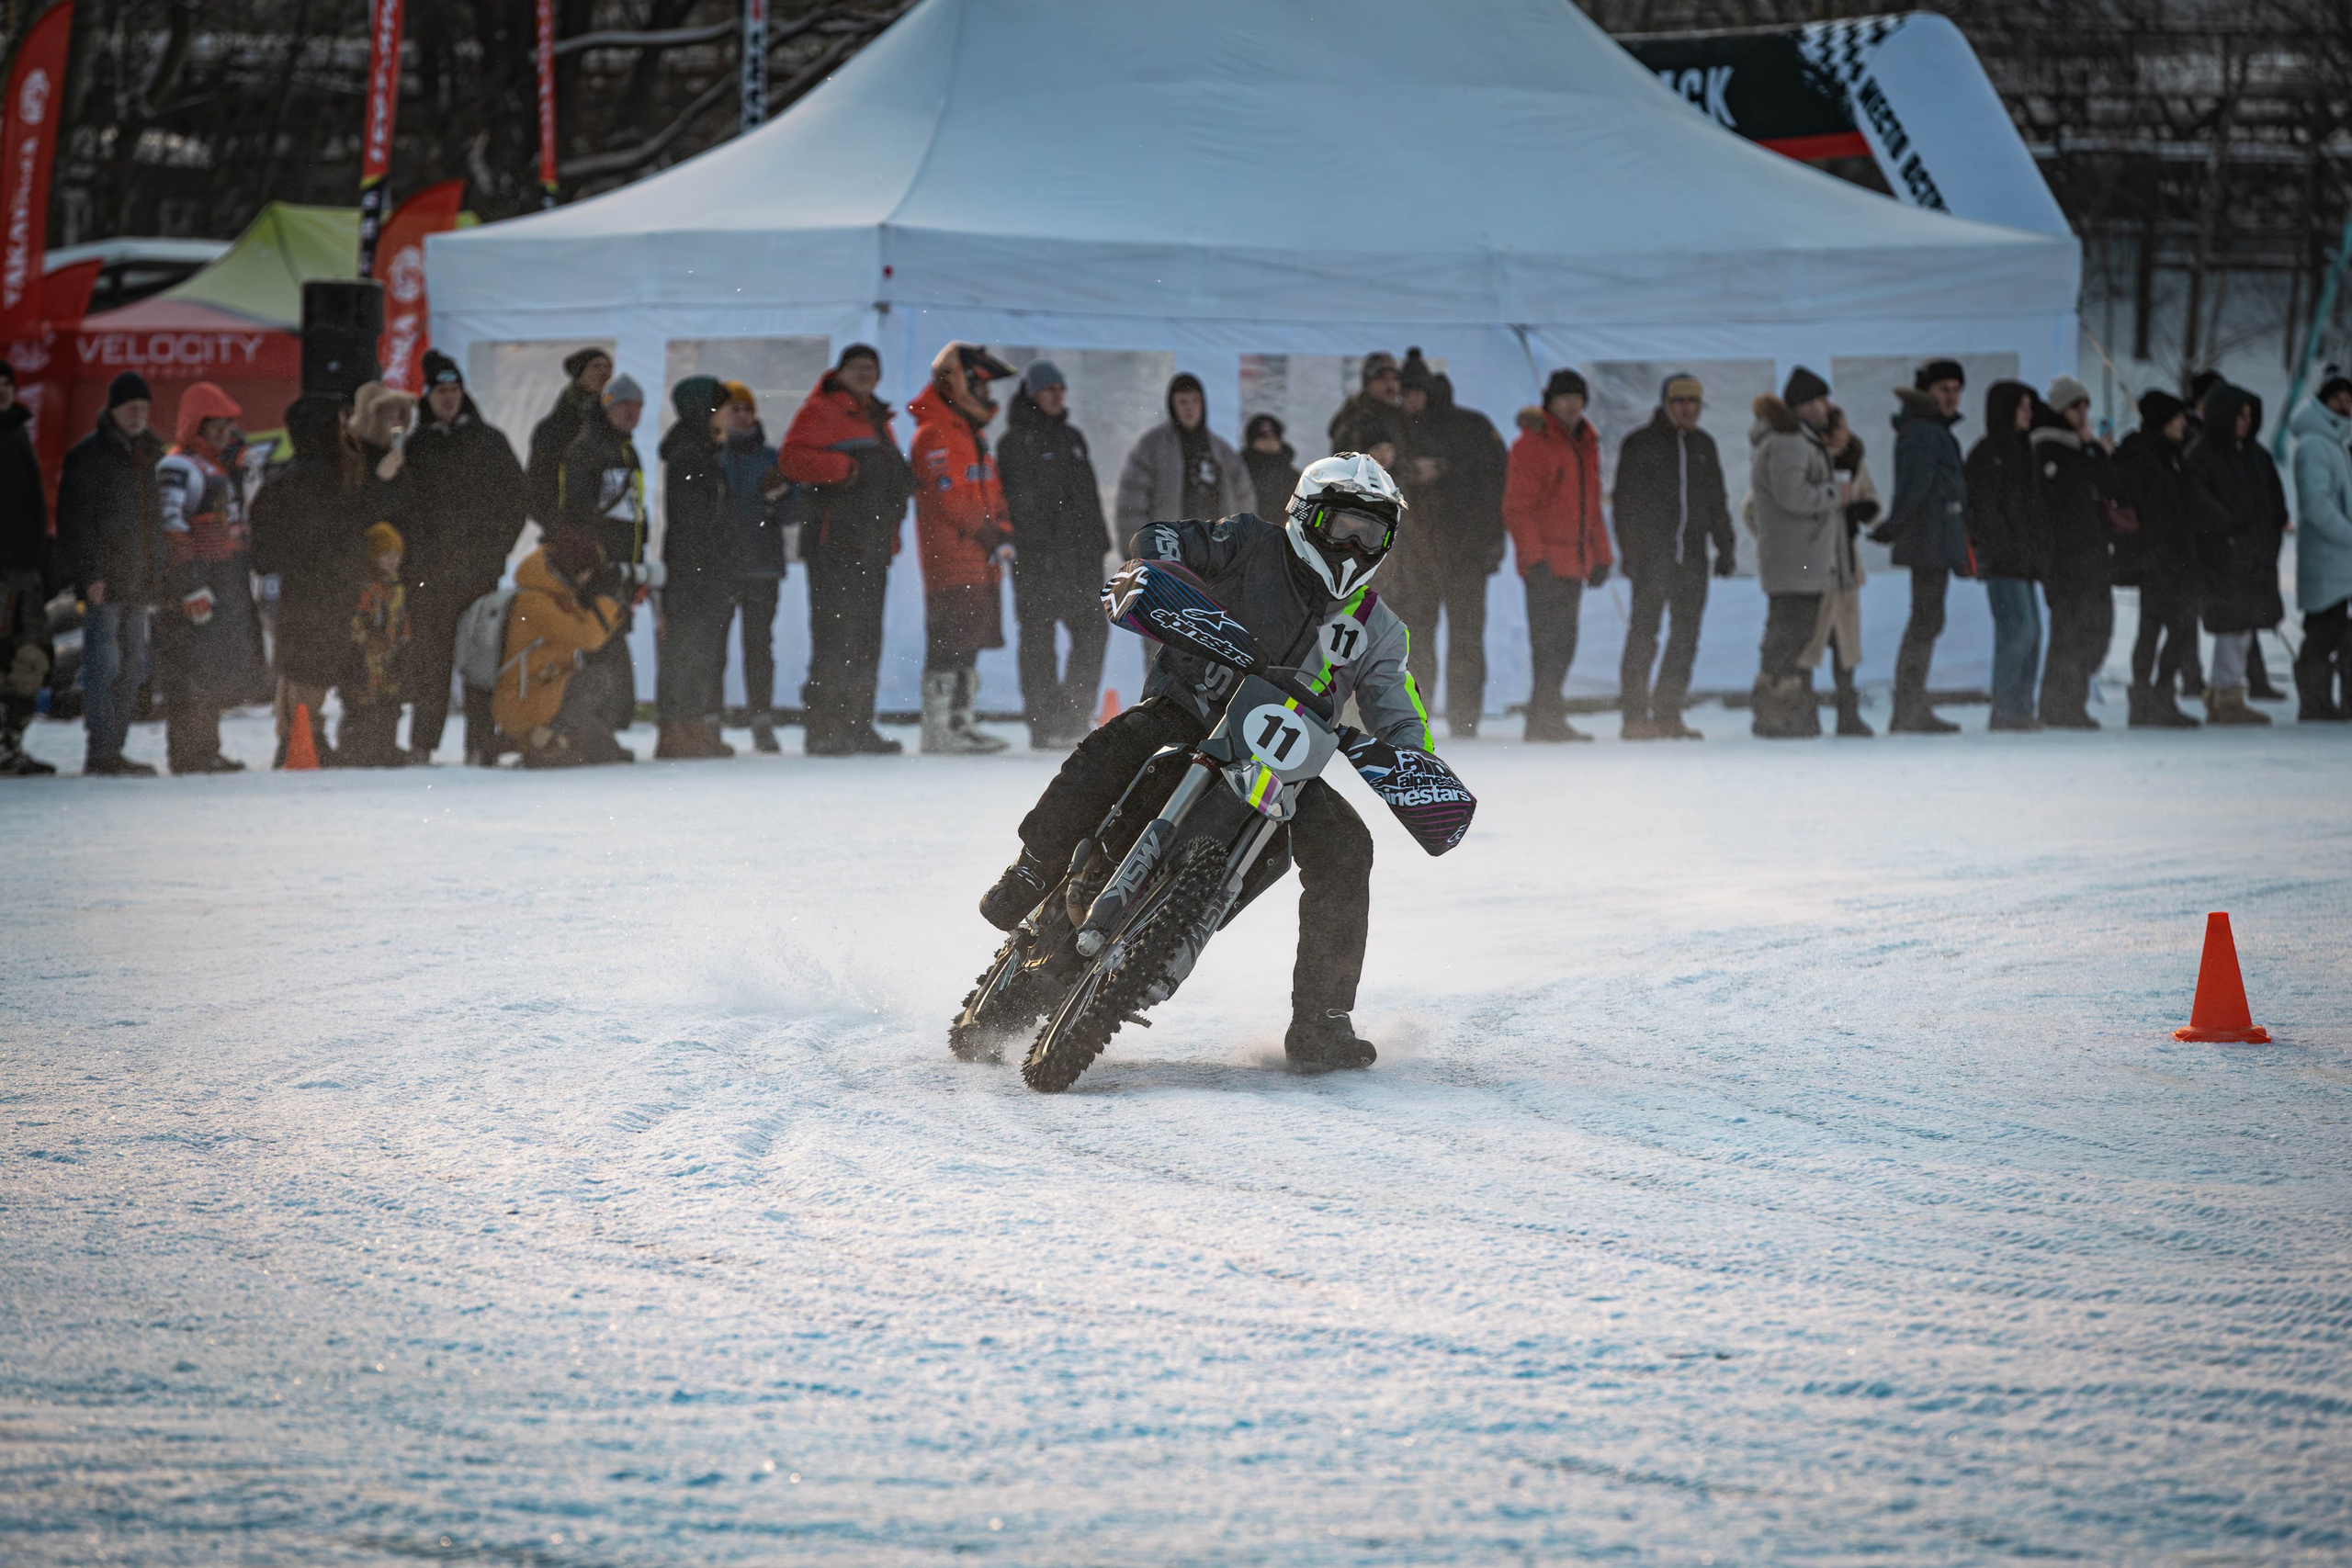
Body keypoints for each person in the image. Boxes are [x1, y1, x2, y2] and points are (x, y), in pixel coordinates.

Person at [978, 454, 1441, 1072]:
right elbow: (1167, 538)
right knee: (1122, 741)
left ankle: (1321, 1022)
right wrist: (1158, 559)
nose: (1354, 545)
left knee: (1348, 845)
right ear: (1307, 516)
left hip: (1280, 770)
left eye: (1371, 533)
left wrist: (1417, 764)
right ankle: (1035, 867)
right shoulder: (1250, 543)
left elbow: (1397, 704)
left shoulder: (1378, 628)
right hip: (1189, 712)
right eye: (1343, 527)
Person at [780, 344, 913, 756]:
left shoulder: (877, 417)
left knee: (865, 638)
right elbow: (792, 458)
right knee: (835, 636)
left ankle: (857, 725)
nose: (866, 374)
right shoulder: (821, 409)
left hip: (872, 546)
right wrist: (846, 470)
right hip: (835, 544)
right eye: (858, 367)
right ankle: (823, 728)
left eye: (872, 368)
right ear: (840, 372)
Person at [400, 352, 526, 763]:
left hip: (477, 572)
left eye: (455, 391)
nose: (449, 399)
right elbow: (401, 509)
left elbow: (516, 500)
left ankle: (480, 742)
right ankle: (423, 743)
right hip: (428, 575)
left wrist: (498, 550)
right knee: (429, 662)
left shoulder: (489, 442)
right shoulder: (415, 446)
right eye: (441, 391)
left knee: (480, 663)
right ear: (428, 395)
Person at [1385, 349, 1509, 739]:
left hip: (1465, 554)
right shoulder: (1397, 429)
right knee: (1417, 639)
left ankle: (1464, 719)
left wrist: (1492, 542)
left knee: (1466, 638)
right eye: (1405, 393)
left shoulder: (1469, 427)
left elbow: (1494, 489)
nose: (1411, 400)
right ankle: (1418, 719)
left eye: (1416, 392)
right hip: (1419, 555)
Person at [997, 360, 1114, 749]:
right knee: (1037, 640)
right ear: (1032, 394)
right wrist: (1036, 547)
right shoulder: (1015, 442)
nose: (1056, 396)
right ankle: (1044, 723)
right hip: (1037, 563)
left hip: (1080, 560)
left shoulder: (1072, 438)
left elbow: (1089, 499)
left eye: (1061, 389)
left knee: (1092, 632)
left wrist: (1100, 546)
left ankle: (1074, 714)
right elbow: (1018, 504)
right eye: (1049, 390)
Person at [1611, 372, 1734, 740]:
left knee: (1685, 636)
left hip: (1693, 558)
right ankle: (1634, 715)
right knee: (1644, 634)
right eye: (1679, 401)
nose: (1686, 408)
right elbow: (1624, 503)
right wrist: (1630, 552)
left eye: (1693, 402)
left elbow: (1716, 500)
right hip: (1653, 558)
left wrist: (1725, 546)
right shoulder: (1641, 443)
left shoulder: (1704, 446)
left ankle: (1668, 712)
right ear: (1666, 403)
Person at [56, 374, 167, 775]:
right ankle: (101, 751)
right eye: (130, 407)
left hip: (138, 582)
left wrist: (159, 573)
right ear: (113, 409)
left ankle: (112, 748)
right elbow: (76, 522)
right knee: (106, 666)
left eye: (143, 407)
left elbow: (154, 522)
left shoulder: (150, 454)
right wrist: (90, 574)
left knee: (134, 667)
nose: (138, 414)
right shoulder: (90, 455)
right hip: (105, 583)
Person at [910, 342, 1017, 754]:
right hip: (950, 559)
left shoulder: (970, 435)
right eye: (982, 386)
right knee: (948, 642)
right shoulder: (935, 433)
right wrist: (991, 533)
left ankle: (960, 722)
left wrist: (1003, 530)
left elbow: (993, 493)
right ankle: (938, 729)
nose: (989, 396)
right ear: (960, 383)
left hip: (979, 559)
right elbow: (948, 497)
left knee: (970, 641)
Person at [152, 381, 264, 773]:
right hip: (196, 577)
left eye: (228, 426)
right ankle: (188, 754)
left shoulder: (226, 467)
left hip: (226, 576)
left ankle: (207, 749)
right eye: (215, 425)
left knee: (215, 666)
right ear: (195, 425)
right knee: (192, 668)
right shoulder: (178, 466)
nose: (224, 433)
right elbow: (169, 527)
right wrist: (188, 584)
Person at [1504, 368, 1611, 741]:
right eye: (1564, 397)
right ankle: (1543, 718)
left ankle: (1547, 714)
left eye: (1577, 398)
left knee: (1563, 644)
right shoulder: (1532, 444)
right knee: (1548, 644)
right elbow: (1517, 507)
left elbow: (1591, 507)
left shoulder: (1585, 443)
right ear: (1550, 401)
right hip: (1546, 564)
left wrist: (1602, 556)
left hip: (1574, 562)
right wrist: (1535, 558)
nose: (1572, 404)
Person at [1746, 367, 1849, 739]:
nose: (1827, 408)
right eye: (1821, 400)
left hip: (1797, 555)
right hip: (1797, 556)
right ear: (1803, 406)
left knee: (1792, 632)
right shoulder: (1789, 442)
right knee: (1788, 633)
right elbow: (1792, 496)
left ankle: (1781, 710)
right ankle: (1774, 712)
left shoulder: (1794, 440)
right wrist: (1834, 494)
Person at [2184, 382, 2285, 726]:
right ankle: (2226, 694)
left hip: (2255, 555)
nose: (2245, 422)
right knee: (2232, 626)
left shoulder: (2256, 455)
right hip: (2224, 557)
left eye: (2248, 416)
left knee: (2245, 627)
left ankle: (2226, 691)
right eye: (2239, 416)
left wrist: (2269, 536)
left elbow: (2274, 500)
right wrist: (2228, 534)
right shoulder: (2203, 456)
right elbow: (2200, 504)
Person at [493, 521, 634, 768]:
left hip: (543, 694)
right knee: (598, 680)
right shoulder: (535, 602)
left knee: (599, 750)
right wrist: (607, 598)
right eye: (587, 571)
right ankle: (544, 738)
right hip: (522, 703)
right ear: (572, 569)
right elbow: (589, 638)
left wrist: (605, 597)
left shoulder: (555, 594)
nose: (589, 577)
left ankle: (552, 742)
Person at [1881, 359, 1971, 733]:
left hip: (1934, 539)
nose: (1951, 397)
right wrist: (1893, 526)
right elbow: (1914, 488)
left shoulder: (1931, 430)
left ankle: (1911, 704)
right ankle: (1908, 707)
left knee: (1927, 620)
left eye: (1955, 389)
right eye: (1943, 389)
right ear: (1927, 392)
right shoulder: (1925, 432)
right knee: (1925, 621)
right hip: (1927, 540)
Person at [559, 372, 649, 733]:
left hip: (622, 564)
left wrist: (636, 563)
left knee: (612, 636)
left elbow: (636, 512)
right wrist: (591, 558)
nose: (632, 414)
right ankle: (606, 715)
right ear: (608, 407)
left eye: (638, 407)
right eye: (625, 406)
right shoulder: (587, 449)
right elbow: (575, 510)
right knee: (602, 639)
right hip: (600, 565)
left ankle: (610, 715)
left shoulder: (627, 450)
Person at [654, 373, 737, 760]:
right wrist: (703, 564)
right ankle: (675, 726)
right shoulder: (690, 453)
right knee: (685, 648)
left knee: (700, 649)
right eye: (721, 407)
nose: (727, 415)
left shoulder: (702, 450)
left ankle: (691, 721)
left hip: (704, 563)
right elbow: (693, 518)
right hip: (693, 565)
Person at [2030, 376, 2120, 728]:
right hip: (2065, 557)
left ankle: (2071, 700)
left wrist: (2095, 449)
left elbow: (2113, 487)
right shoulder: (2047, 446)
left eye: (2085, 406)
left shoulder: (2080, 446)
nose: (2083, 414)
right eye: (2076, 407)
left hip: (2091, 554)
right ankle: (2060, 705)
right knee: (2069, 633)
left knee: (2094, 629)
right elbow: (2068, 494)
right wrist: (2090, 451)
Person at [2111, 389, 2201, 728]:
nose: (2183, 424)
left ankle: (2159, 697)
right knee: (2155, 629)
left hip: (2175, 557)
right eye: (2177, 417)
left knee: (2175, 628)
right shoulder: (2139, 455)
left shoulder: (2171, 455)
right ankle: (2147, 700)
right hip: (2155, 559)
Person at [1962, 381, 2048, 730]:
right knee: (2019, 631)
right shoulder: (1987, 454)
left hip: (2023, 560)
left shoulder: (2024, 450)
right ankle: (2006, 707)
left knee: (2032, 632)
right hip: (2001, 561)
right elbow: (1984, 511)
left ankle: (2021, 707)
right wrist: (2000, 548)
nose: (2028, 414)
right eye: (2022, 407)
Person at [713, 381, 788, 752]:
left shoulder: (771, 458)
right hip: (723, 566)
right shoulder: (711, 456)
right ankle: (710, 719)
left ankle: (762, 719)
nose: (743, 415)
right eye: (734, 409)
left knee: (759, 646)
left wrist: (782, 495)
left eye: (747, 409)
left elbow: (792, 515)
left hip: (762, 565)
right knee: (715, 646)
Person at [1802, 404, 1879, 737]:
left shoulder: (1853, 461)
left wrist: (1861, 511)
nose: (1848, 433)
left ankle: (1848, 712)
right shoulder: (1804, 462)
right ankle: (1804, 712)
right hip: (1811, 566)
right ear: (1826, 434)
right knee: (1808, 642)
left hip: (1845, 564)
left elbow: (1873, 502)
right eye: (1841, 428)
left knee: (1845, 643)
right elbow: (1758, 510)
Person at [2288, 368, 2352, 721]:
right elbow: (2317, 505)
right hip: (2327, 562)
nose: (2345, 404)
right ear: (2324, 401)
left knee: (2334, 634)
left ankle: (2324, 703)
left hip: (2339, 563)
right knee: (2322, 636)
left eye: (2349, 397)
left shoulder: (2335, 443)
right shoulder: (2316, 444)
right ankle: (2315, 705)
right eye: (2338, 397)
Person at [0, 361, 55, 775]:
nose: (2, 391)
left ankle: (11, 746)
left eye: (7, 384)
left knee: (31, 659)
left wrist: (44, 561)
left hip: (26, 572)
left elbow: (30, 507)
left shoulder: (17, 431)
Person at [1114, 372, 1253, 536]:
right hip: (1167, 550)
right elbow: (1131, 504)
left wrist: (1242, 541)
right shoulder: (1151, 447)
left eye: (1195, 401)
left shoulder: (1221, 451)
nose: (1190, 408)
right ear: (1172, 405)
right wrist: (1139, 546)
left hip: (1216, 550)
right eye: (1183, 402)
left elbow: (1244, 499)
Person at [336, 521, 411, 767]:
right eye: (387, 554)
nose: (393, 560)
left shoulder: (397, 586)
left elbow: (401, 619)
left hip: (389, 656)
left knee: (389, 702)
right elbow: (354, 620)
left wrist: (403, 643)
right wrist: (363, 643)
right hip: (366, 657)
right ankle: (356, 747)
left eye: (396, 554)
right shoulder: (366, 586)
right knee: (361, 702)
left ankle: (384, 746)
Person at [526, 346, 611, 527]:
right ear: (579, 373)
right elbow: (537, 485)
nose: (604, 373)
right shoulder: (553, 428)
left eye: (608, 367)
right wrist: (557, 525)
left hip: (605, 530)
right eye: (596, 366)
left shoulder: (610, 426)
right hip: (566, 532)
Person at [1328, 351, 1404, 456]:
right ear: (1369, 383)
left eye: (1395, 378)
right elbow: (1344, 461)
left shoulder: (1397, 414)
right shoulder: (1354, 415)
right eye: (1382, 378)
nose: (1390, 384)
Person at [1242, 413, 1300, 522]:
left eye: (1274, 438)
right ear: (1252, 442)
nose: (1269, 443)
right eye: (1263, 438)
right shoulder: (1239, 473)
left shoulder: (1292, 476)